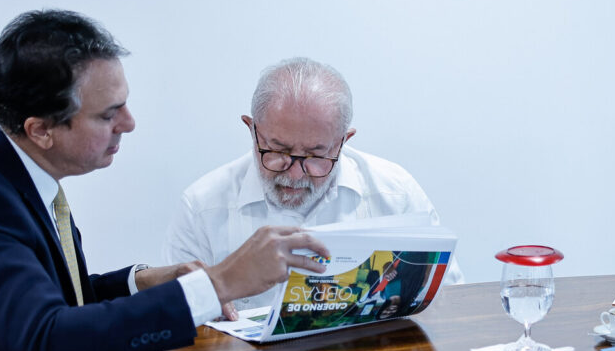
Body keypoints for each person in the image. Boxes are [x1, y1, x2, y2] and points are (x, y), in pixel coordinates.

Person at [0, 10, 329, 351]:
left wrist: (140, 281)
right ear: (41, 129)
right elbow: (47, 341)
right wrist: (220, 281)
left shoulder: (9, 166)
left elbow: (48, 297)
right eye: (109, 114)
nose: (129, 123)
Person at [163, 57, 463, 310]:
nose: (294, 174)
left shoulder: (395, 194)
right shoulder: (202, 207)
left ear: (343, 141)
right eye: (278, 151)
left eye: (316, 155)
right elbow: (179, 326)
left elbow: (446, 302)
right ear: (251, 129)